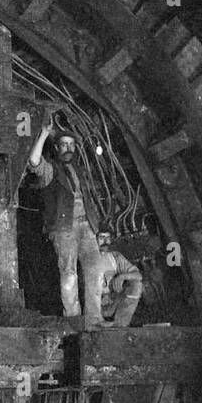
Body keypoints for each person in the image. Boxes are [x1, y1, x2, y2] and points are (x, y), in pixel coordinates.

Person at [25, 120, 102, 327]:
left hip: (87, 227)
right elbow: (33, 161)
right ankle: (74, 322)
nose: (68, 148)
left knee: (95, 270)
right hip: (63, 229)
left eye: (71, 145)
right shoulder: (51, 171)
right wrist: (43, 134)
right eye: (64, 144)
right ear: (57, 148)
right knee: (69, 274)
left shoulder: (79, 171)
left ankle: (94, 321)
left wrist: (99, 227)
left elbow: (90, 200)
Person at [88, 231, 143, 327]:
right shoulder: (86, 258)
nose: (105, 241)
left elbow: (138, 275)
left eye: (108, 238)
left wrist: (122, 276)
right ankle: (95, 323)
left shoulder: (115, 256)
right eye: (101, 238)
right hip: (94, 305)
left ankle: (120, 326)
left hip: (113, 301)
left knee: (136, 285)